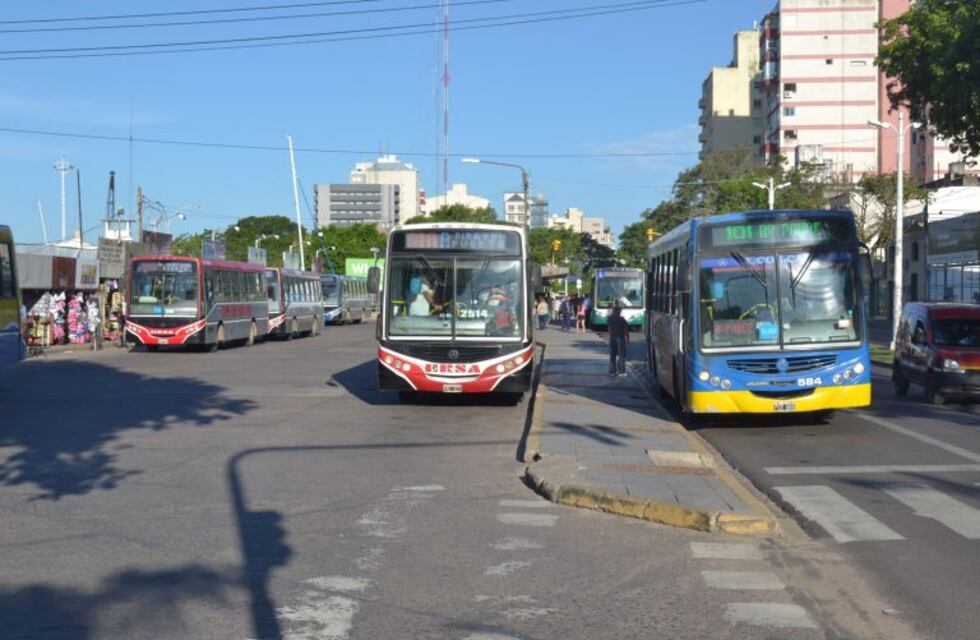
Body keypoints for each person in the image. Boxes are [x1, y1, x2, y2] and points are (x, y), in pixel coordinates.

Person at [608, 305, 629, 376]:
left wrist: (610, 337)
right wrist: (628, 339)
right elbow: (626, 330)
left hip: (613, 339)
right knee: (621, 355)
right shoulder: (622, 319)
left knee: (612, 356)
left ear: (613, 311)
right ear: (619, 311)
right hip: (620, 339)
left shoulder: (610, 319)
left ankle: (612, 371)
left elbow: (609, 329)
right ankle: (621, 371)